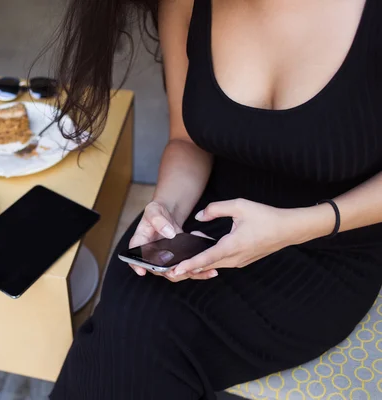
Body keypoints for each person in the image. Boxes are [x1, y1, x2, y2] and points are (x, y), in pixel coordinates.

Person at [47, 0, 382, 399]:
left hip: (330, 244)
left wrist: (298, 226)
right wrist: (167, 209)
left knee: (143, 350)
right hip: (206, 225)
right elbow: (187, 139)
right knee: (129, 330)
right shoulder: (184, 4)